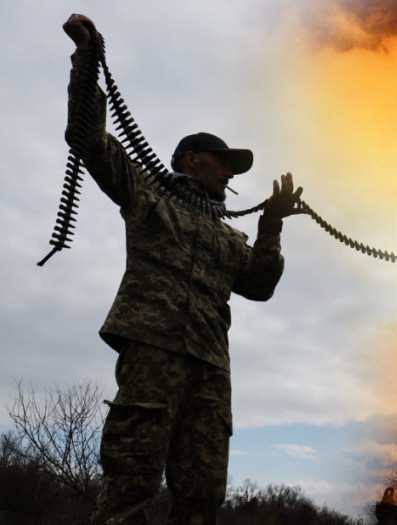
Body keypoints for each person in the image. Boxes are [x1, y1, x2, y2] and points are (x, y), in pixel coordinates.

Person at [62, 14, 305, 524]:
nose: (232, 173)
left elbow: (258, 288)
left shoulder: (228, 234)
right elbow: (91, 141)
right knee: (131, 484)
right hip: (153, 350)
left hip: (210, 369)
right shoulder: (149, 194)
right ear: (192, 160)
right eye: (225, 162)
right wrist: (87, 59)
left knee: (201, 496)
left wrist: (271, 226)